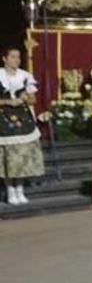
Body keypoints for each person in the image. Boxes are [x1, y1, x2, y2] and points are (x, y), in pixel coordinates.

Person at [0, 46, 45, 205]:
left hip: (22, 118)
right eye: (12, 57)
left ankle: (20, 188)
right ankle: (10, 189)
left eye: (18, 57)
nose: (16, 60)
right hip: (3, 119)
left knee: (22, 156)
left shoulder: (25, 76)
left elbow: (33, 100)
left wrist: (26, 97)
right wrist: (6, 101)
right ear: (5, 58)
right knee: (8, 157)